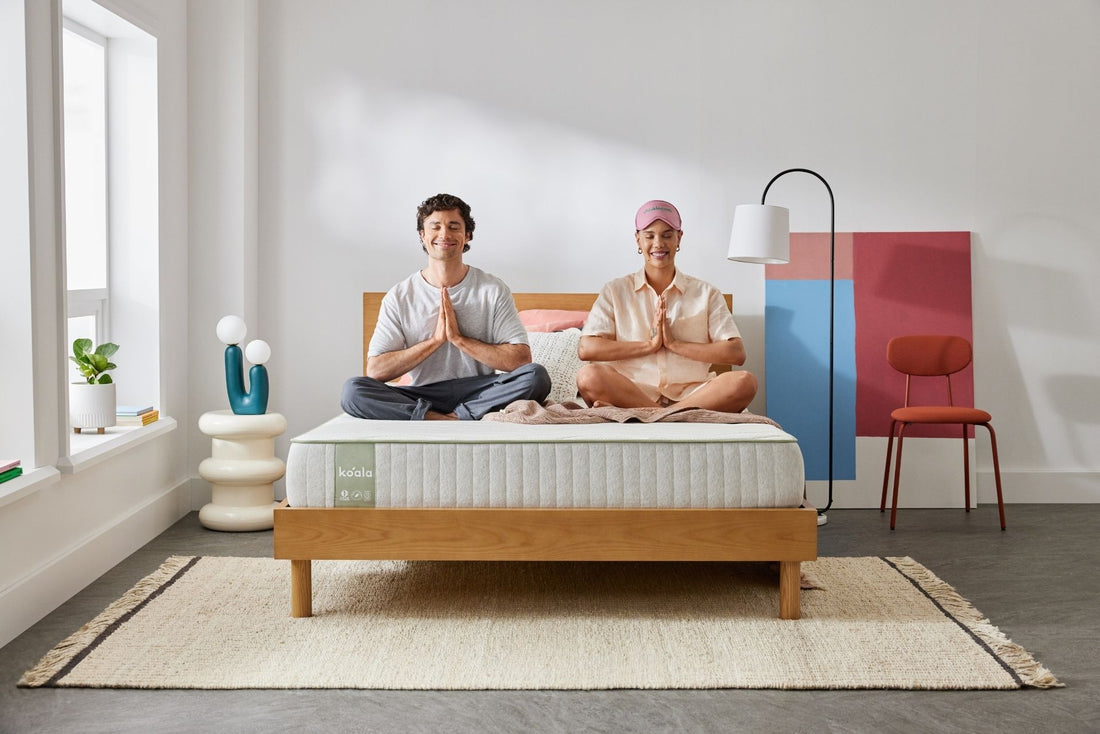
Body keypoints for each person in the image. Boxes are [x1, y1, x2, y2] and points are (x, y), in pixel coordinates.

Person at [341, 193, 550, 420]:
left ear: (467, 235)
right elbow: (376, 371)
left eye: (453, 226)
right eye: (435, 227)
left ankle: (458, 414)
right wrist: (435, 341)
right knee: (353, 390)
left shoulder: (492, 289)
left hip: (480, 391)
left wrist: (460, 339)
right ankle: (438, 417)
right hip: (423, 393)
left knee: (536, 376)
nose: (444, 234)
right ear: (422, 235)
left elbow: (521, 360)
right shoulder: (399, 296)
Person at [577, 199, 758, 412]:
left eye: (667, 235)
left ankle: (655, 414)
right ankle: (676, 416)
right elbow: (586, 348)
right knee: (588, 376)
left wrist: (674, 344)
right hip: (632, 392)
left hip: (695, 395)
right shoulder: (615, 291)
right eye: (649, 236)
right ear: (638, 240)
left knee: (745, 382)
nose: (658, 244)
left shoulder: (706, 293)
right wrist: (649, 345)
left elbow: (736, 353)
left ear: (679, 238)